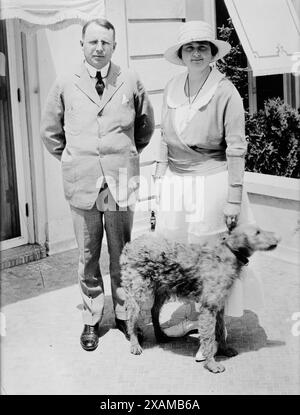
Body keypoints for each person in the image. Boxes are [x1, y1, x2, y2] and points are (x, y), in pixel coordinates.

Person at [40, 18, 155, 351]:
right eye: (93, 42)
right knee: (88, 255)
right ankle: (92, 318)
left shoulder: (130, 79)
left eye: (105, 42)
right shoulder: (64, 83)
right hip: (83, 183)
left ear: (114, 46)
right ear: (82, 45)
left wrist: (126, 154)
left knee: (123, 253)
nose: (99, 48)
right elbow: (50, 133)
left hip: (120, 181)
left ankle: (123, 315)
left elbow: (145, 127)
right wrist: (73, 159)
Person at [152, 20, 264, 358]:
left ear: (212, 53)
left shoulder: (225, 91)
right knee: (182, 255)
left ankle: (215, 330)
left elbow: (236, 148)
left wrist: (233, 198)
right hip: (176, 182)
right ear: (182, 54)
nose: (196, 53)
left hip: (212, 182)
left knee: (212, 259)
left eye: (203, 47)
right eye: (190, 47)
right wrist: (159, 179)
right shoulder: (172, 86)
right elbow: (162, 137)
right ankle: (191, 314)